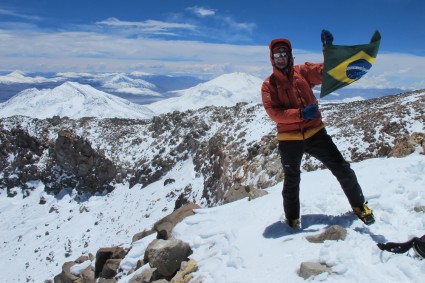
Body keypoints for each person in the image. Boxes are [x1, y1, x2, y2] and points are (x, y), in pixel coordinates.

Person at [261, 30, 375, 228]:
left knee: (342, 168)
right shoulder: (268, 85)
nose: (280, 58)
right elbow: (274, 113)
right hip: (289, 139)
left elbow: (325, 72)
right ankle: (292, 219)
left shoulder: (302, 72)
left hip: (315, 133)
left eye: (283, 53)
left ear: (289, 55)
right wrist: (300, 115)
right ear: (272, 58)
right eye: (276, 55)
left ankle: (359, 206)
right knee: (291, 180)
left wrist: (328, 51)